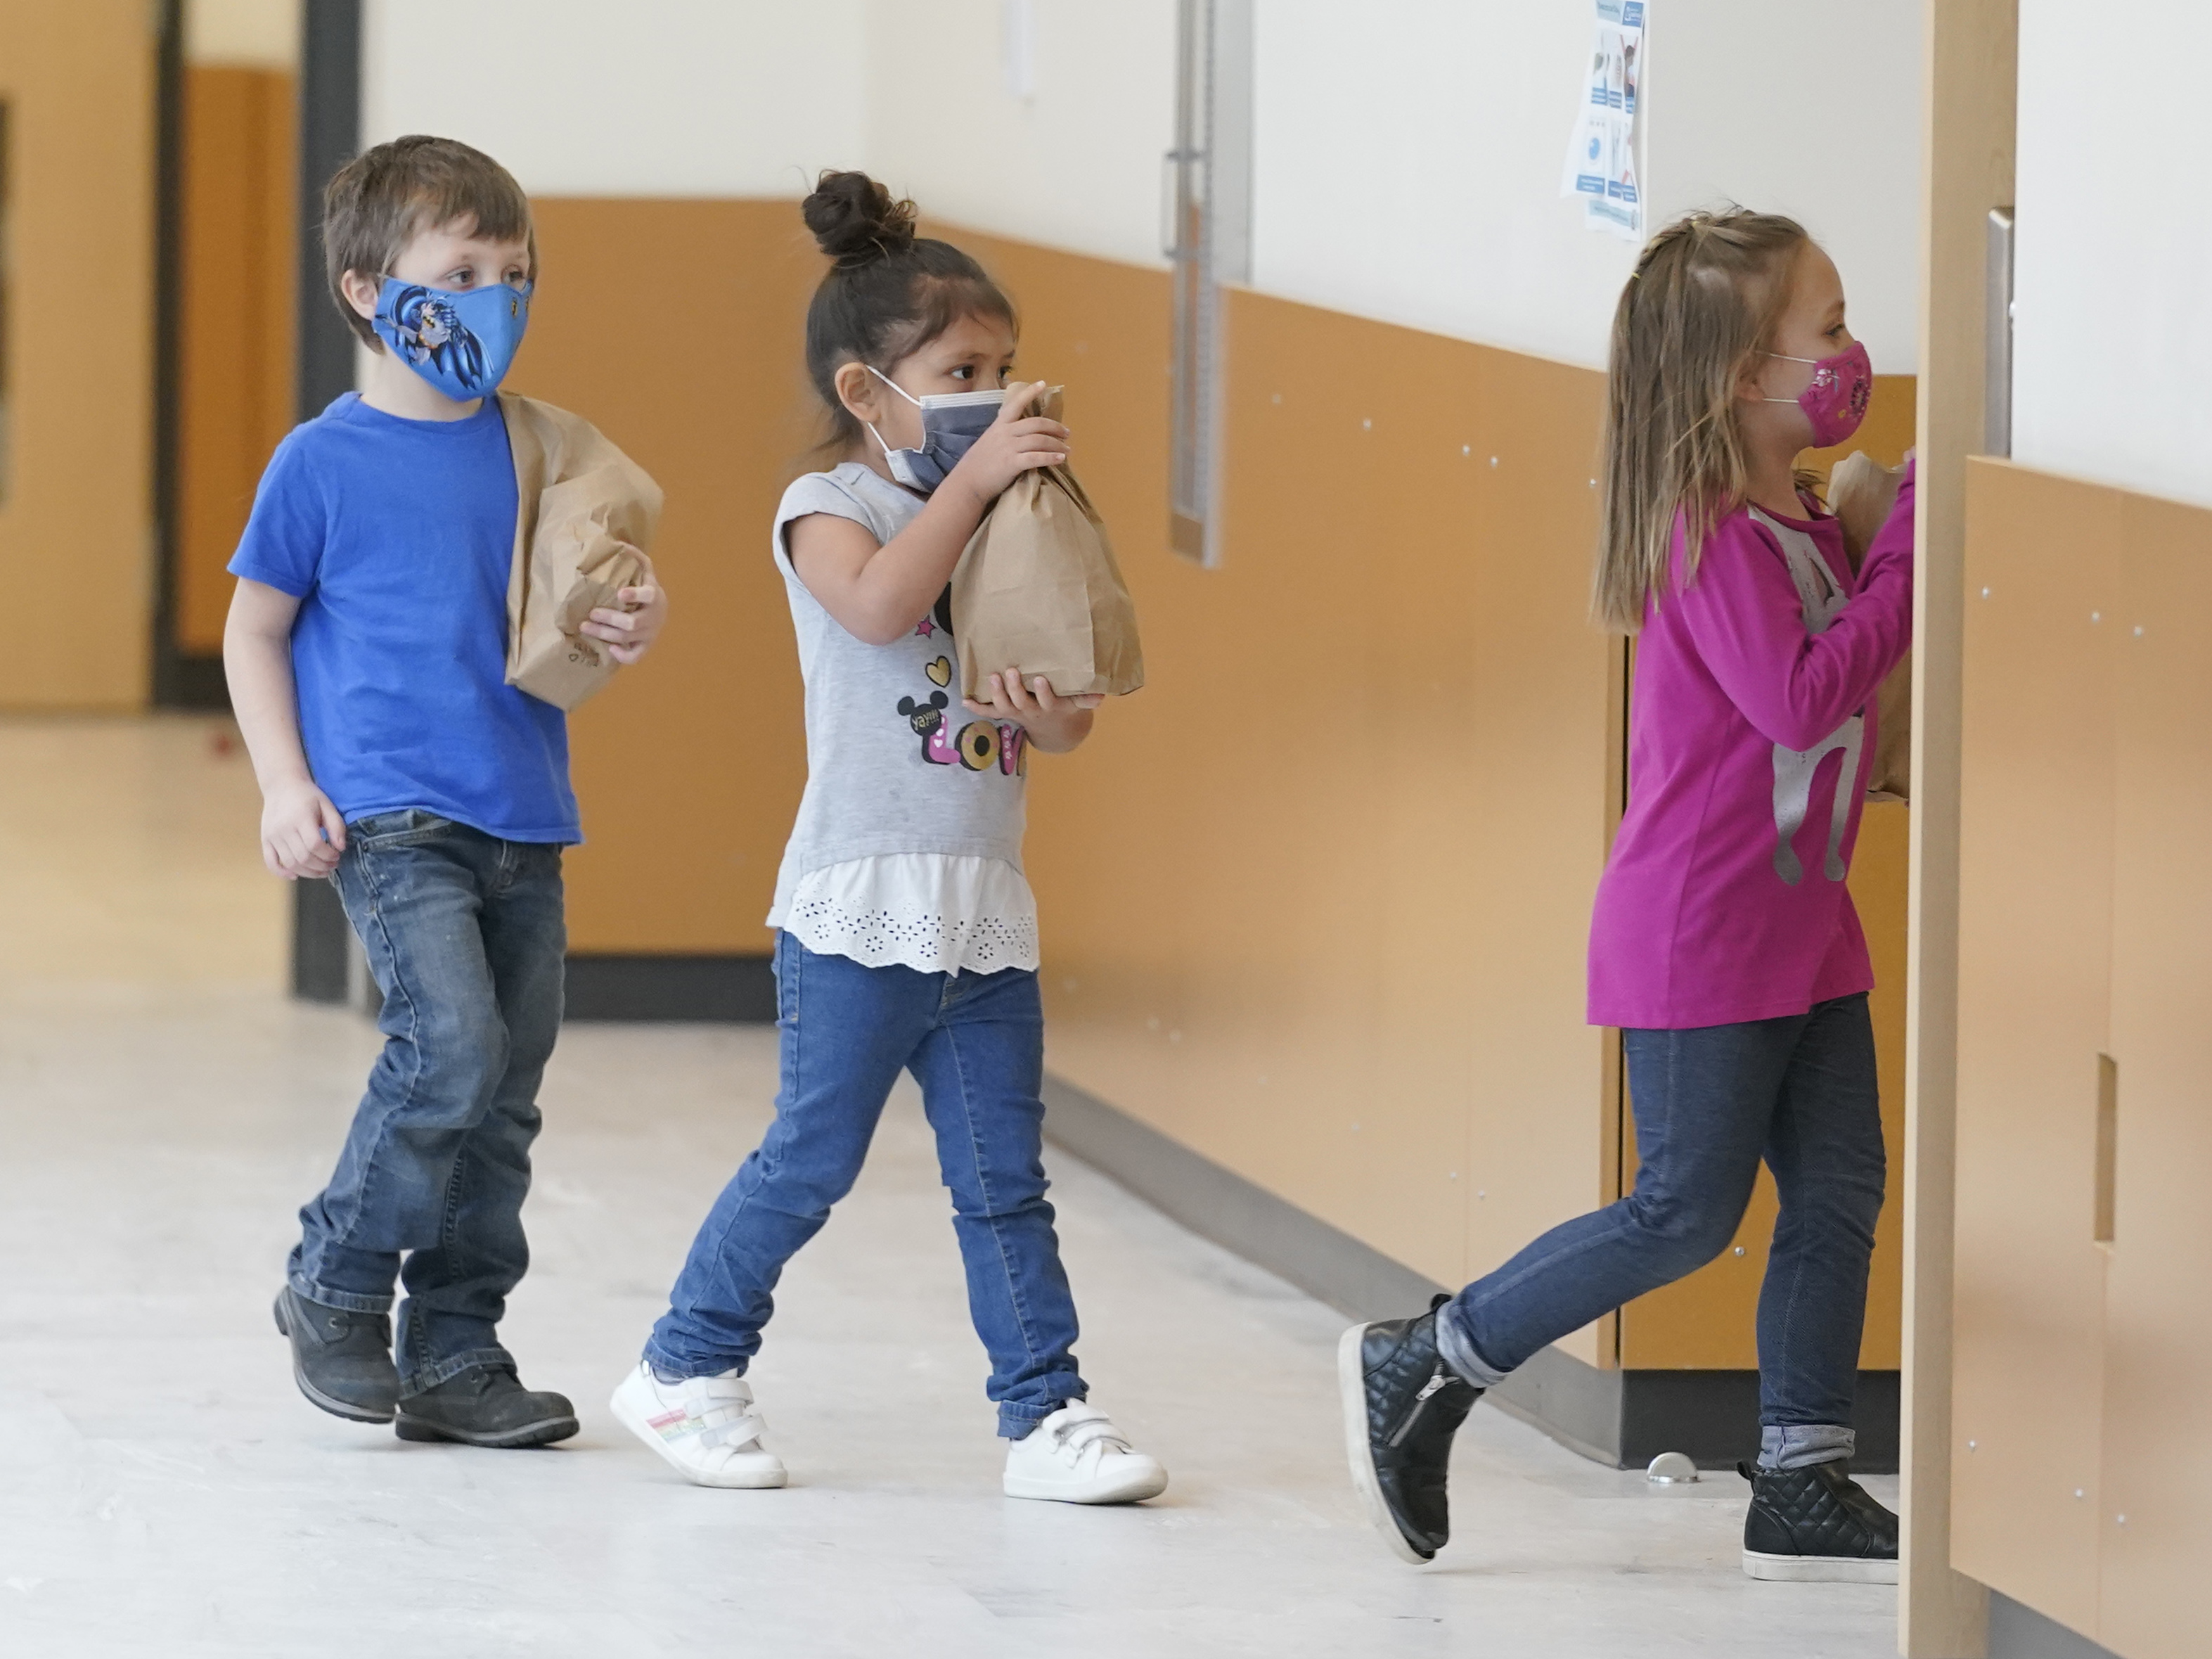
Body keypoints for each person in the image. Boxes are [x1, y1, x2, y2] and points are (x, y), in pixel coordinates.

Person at [1342, 210, 1913, 1580]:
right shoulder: (1704, 530)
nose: (1851, 354)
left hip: (1801, 916)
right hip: (1703, 929)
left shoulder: (1791, 512)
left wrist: (1861, 538)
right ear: (1736, 377)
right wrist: (1904, 556)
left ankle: (1799, 1470)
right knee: (1682, 1210)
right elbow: (1796, 699)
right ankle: (1433, 1353)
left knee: (1838, 1188)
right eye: (1823, 332)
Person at [610, 172, 1166, 1506]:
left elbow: (1067, 723)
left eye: (1005, 365)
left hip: (981, 904)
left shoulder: (993, 521)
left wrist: (1045, 697)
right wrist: (974, 482)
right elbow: (872, 611)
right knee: (811, 1157)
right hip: (860, 903)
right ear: (871, 394)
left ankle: (1044, 1414)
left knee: (1002, 1178)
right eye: (961, 368)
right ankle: (684, 1367)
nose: (995, 389)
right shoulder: (830, 508)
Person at [226, 135, 667, 1449]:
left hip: (523, 813)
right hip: (386, 813)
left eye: (512, 269)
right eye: (459, 269)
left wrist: (631, 619)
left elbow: (589, 597)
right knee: (451, 1049)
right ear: (369, 289)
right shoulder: (322, 460)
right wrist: (282, 784)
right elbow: (254, 629)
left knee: (504, 1099)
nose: (493, 295)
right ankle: (334, 1282)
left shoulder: (538, 452)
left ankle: (459, 1354)